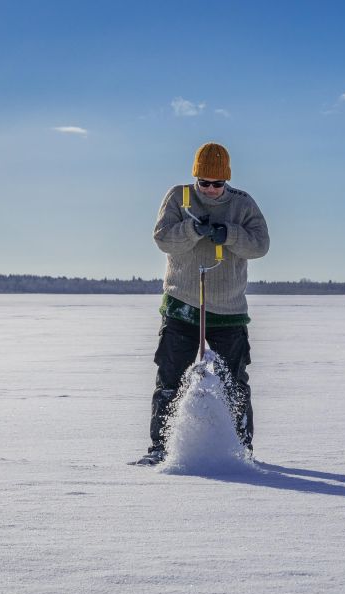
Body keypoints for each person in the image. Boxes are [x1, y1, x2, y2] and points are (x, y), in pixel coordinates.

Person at [139, 142, 270, 465]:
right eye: (204, 183)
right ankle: (160, 449)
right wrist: (192, 229)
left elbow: (260, 245)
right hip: (182, 305)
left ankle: (241, 451)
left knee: (234, 384)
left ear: (226, 180)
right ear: (195, 177)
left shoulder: (242, 204)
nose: (210, 190)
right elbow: (162, 238)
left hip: (228, 311)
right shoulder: (178, 197)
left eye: (217, 184)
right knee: (170, 379)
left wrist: (229, 234)